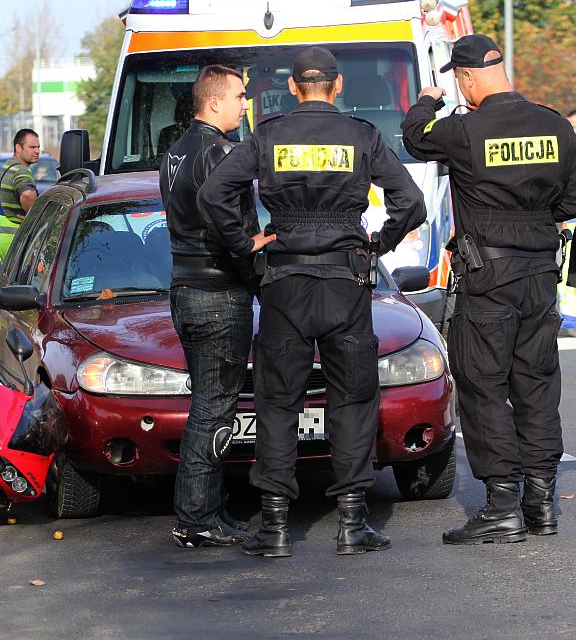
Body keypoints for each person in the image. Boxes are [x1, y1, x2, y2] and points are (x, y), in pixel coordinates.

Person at [200, 47, 426, 557]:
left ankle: (275, 528)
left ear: (296, 86)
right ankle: (352, 524)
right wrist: (377, 245)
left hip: (283, 280)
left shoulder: (269, 134)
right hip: (347, 281)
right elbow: (410, 203)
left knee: (278, 401)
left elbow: (214, 192)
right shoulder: (363, 136)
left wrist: (243, 243)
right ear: (338, 85)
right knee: (352, 397)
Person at [401, 34, 576, 545]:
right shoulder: (554, 126)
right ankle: (540, 504)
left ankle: (502, 505)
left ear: (467, 77)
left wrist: (429, 100)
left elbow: (415, 137)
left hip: (488, 278)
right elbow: (569, 201)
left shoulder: (464, 129)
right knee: (538, 384)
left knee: (482, 386)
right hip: (541, 275)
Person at [161, 64, 275, 548]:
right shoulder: (218, 154)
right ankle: (196, 518)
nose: (245, 104)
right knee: (215, 409)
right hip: (217, 295)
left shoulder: (175, 151)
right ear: (213, 102)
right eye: (240, 96)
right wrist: (256, 260)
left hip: (186, 289)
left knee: (206, 404)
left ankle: (204, 510)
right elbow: (237, 230)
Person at [0, 129, 40, 259]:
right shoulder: (21, 171)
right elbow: (27, 194)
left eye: (38, 147)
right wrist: (35, 218)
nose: (37, 151)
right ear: (18, 148)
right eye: (32, 147)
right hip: (16, 239)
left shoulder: (7, 166)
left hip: (3, 237)